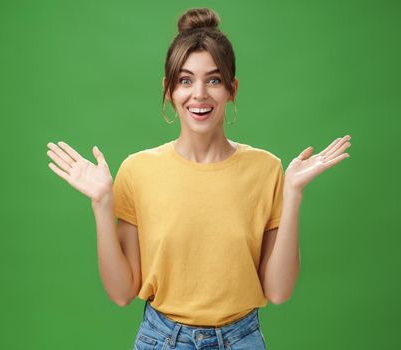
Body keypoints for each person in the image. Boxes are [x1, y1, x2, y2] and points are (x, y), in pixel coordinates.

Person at [46, 7, 351, 350]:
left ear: (232, 89)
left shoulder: (267, 170)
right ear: (169, 89)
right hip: (161, 339)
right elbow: (121, 293)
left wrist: (293, 193)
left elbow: (278, 292)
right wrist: (102, 204)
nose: (200, 94)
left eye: (214, 80)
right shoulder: (137, 171)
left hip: (242, 340)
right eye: (186, 80)